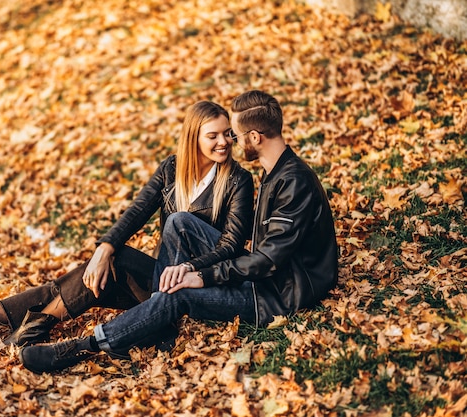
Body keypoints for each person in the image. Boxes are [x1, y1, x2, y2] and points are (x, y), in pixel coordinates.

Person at [19, 90, 339, 373]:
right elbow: (139, 210)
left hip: (276, 296)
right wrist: (107, 247)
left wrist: (199, 275)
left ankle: (84, 347)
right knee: (172, 228)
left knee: (177, 294)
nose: (231, 142)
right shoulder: (275, 174)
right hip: (265, 281)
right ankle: (12, 316)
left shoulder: (289, 182)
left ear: (254, 138)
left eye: (235, 135)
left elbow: (266, 260)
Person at [0, 100, 255, 348]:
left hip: (197, 286)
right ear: (193, 138)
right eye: (213, 136)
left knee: (118, 259)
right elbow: (136, 212)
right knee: (99, 268)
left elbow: (231, 246)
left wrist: (190, 269)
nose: (224, 142)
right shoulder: (172, 169)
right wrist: (104, 249)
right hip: (158, 278)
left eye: (228, 134)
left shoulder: (239, 180)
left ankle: (14, 323)